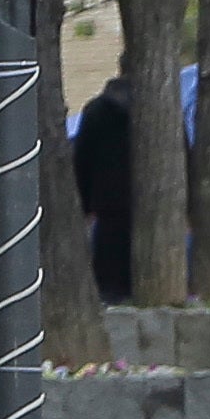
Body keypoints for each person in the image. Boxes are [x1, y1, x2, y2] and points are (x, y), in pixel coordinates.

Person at [72, 77, 134, 302]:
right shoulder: (157, 109)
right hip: (144, 198)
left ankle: (111, 294)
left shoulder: (95, 111)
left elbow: (82, 159)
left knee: (109, 258)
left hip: (107, 199)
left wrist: (85, 204)